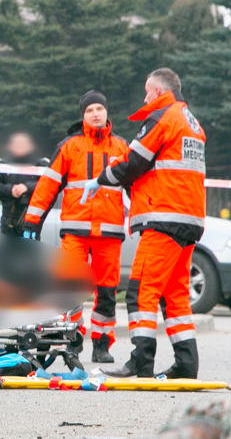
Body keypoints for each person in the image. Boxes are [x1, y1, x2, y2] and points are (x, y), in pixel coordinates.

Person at [84, 68, 205, 379]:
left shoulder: (163, 117)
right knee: (175, 294)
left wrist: (102, 179)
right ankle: (186, 364)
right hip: (188, 219)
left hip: (163, 218)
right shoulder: (192, 122)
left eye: (146, 92)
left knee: (140, 292)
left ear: (157, 91)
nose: (143, 98)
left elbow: (134, 161)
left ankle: (141, 362)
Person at [23, 91, 128, 363]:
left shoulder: (121, 148)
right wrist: (32, 221)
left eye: (99, 109)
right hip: (76, 231)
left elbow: (136, 187)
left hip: (109, 232)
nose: (95, 113)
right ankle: (72, 343)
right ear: (83, 115)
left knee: (106, 292)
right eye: (90, 109)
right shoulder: (70, 146)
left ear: (107, 113)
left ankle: (102, 345)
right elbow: (48, 185)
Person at [0, 132, 47, 236]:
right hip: (8, 218)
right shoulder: (2, 164)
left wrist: (26, 188)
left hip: (31, 218)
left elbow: (48, 184)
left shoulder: (41, 164)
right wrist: (10, 190)